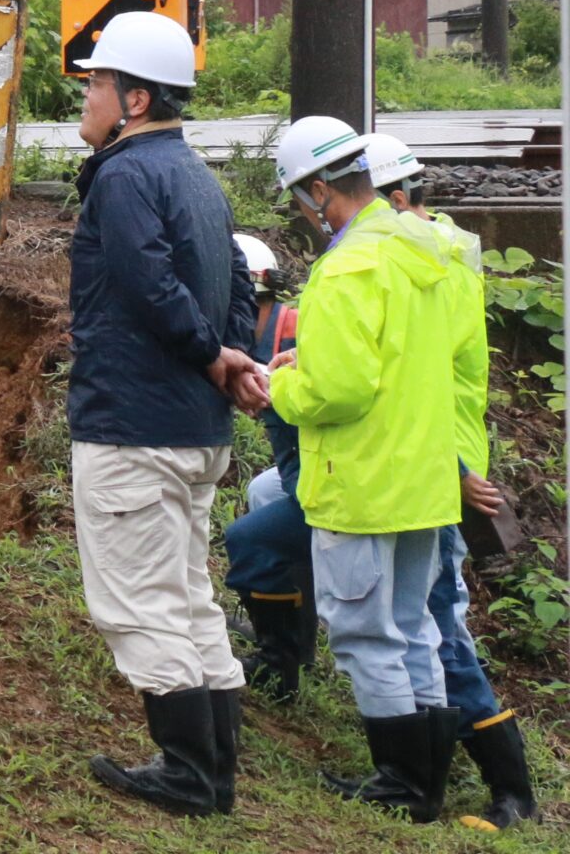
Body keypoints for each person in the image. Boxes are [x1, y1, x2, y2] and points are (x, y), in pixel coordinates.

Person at [67, 11, 263, 818]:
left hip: (134, 424)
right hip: (196, 428)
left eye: (96, 84)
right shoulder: (197, 175)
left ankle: (187, 774)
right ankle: (214, 768)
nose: (84, 98)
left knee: (140, 604)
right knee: (188, 595)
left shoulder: (122, 177)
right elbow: (243, 280)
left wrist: (212, 356)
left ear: (135, 100)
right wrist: (230, 356)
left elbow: (148, 286)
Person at [267, 116, 463, 824]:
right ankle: (427, 786)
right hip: (423, 476)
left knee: (363, 632)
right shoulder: (422, 247)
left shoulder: (347, 268)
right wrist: (314, 361)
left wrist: (283, 383)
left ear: (322, 191)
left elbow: (339, 391)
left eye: (299, 199)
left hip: (362, 481)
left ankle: (401, 784)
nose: (302, 213)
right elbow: (398, 362)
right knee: (415, 629)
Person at [360, 133, 537, 832]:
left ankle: (510, 789)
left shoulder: (431, 262)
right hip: (437, 460)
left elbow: (430, 380)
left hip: (443, 465)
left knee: (437, 625)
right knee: (431, 621)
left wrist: (457, 471)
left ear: (399, 200)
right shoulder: (440, 250)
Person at [221, 234, 318, 704]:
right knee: (263, 491)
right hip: (301, 467)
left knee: (250, 538)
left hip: (330, 473)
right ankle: (295, 639)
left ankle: (281, 666)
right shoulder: (255, 336)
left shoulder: (299, 334)